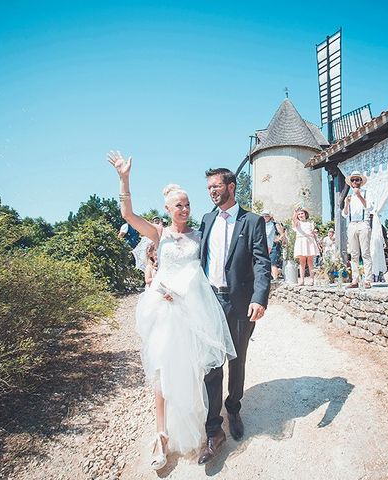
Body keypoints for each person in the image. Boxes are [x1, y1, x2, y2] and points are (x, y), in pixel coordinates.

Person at [107, 151, 236, 470]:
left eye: (188, 204)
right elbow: (127, 214)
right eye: (179, 204)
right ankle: (161, 436)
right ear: (167, 210)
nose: (185, 209)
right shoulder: (159, 234)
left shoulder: (199, 234)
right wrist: (124, 178)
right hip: (166, 313)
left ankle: (205, 427)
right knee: (163, 373)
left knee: (195, 371)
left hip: (195, 311)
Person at [199, 168, 271, 464]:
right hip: (209, 301)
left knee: (237, 359)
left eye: (216, 186)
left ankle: (234, 406)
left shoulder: (252, 221)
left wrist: (260, 298)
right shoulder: (206, 220)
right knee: (211, 364)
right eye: (209, 188)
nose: (212, 191)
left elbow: (262, 262)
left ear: (231, 186)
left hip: (239, 303)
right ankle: (213, 428)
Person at [342, 171, 373, 288]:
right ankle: (355, 280)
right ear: (350, 183)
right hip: (351, 225)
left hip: (363, 223)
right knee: (354, 254)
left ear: (361, 182)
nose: (355, 182)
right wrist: (346, 203)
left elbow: (369, 207)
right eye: (353, 180)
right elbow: (344, 214)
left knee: (365, 253)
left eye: (357, 180)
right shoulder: (349, 196)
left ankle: (368, 280)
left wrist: (359, 195)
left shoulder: (366, 193)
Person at [291, 207, 320, 286]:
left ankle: (312, 280)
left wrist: (317, 243)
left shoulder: (310, 223)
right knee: (302, 262)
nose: (300, 215)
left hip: (310, 242)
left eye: (302, 213)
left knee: (310, 261)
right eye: (299, 214)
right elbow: (294, 219)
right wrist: (295, 212)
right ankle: (302, 280)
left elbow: (313, 234)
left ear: (305, 214)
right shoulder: (297, 223)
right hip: (301, 241)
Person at [262, 211, 286, 280]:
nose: (265, 217)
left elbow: (282, 234)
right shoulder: (261, 224)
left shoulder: (275, 224)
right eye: (263, 216)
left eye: (266, 216)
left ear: (270, 217)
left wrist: (279, 239)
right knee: (264, 262)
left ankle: (275, 279)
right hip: (263, 245)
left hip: (273, 246)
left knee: (273, 262)